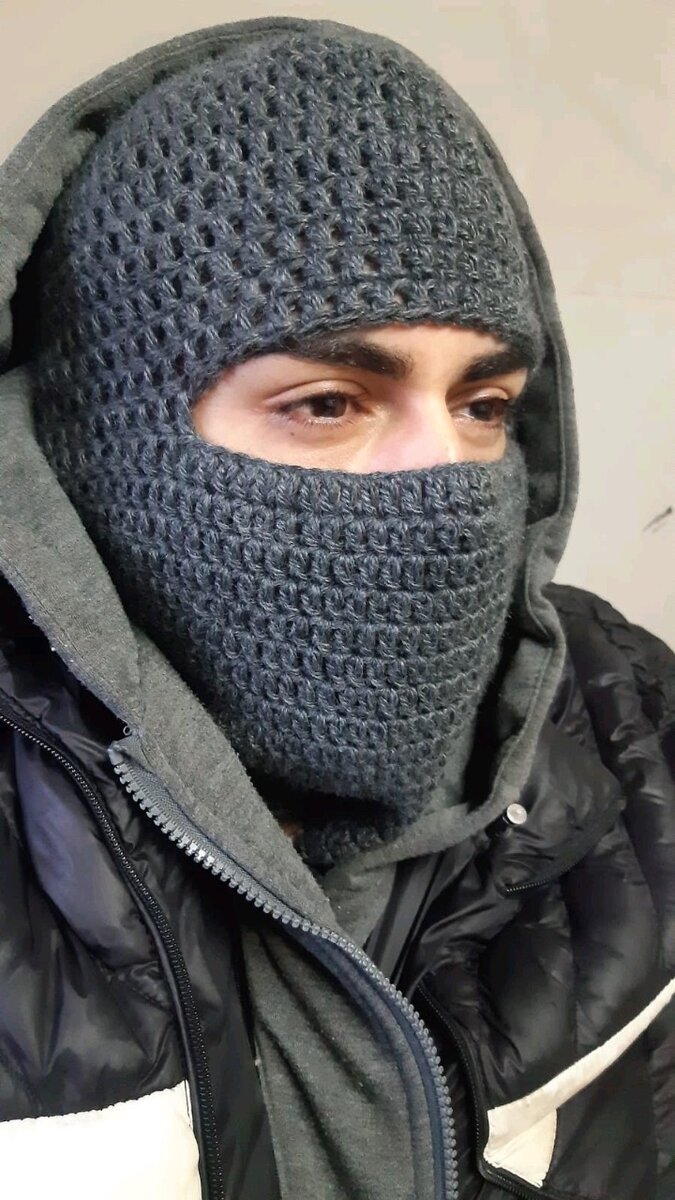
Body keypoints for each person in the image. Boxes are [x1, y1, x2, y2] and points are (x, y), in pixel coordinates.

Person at [0, 15, 672, 1200]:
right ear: (105, 442)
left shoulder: (636, 721)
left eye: (484, 405)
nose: (447, 487)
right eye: (327, 402)